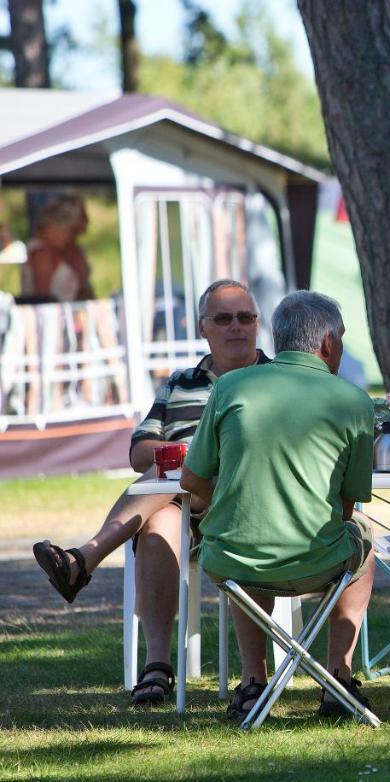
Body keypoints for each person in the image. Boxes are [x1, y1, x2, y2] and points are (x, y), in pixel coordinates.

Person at [32, 279, 268, 706]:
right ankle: (157, 667)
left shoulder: (275, 378)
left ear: (257, 323)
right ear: (203, 328)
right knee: (159, 523)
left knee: (173, 483)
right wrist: (187, 455)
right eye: (224, 318)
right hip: (183, 512)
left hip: (247, 507)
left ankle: (84, 559)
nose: (237, 327)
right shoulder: (179, 383)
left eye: (246, 317)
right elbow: (140, 451)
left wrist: (196, 461)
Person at [181, 291, 376, 721]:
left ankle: (254, 681)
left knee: (243, 540)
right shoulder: (354, 401)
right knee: (364, 535)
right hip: (316, 561)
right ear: (327, 343)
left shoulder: (230, 386)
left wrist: (232, 504)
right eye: (341, 338)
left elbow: (191, 479)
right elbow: (347, 505)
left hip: (232, 561)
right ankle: (338, 679)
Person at [21, 194, 93, 302]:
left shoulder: (62, 251)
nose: (70, 238)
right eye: (70, 231)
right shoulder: (42, 254)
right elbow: (41, 301)